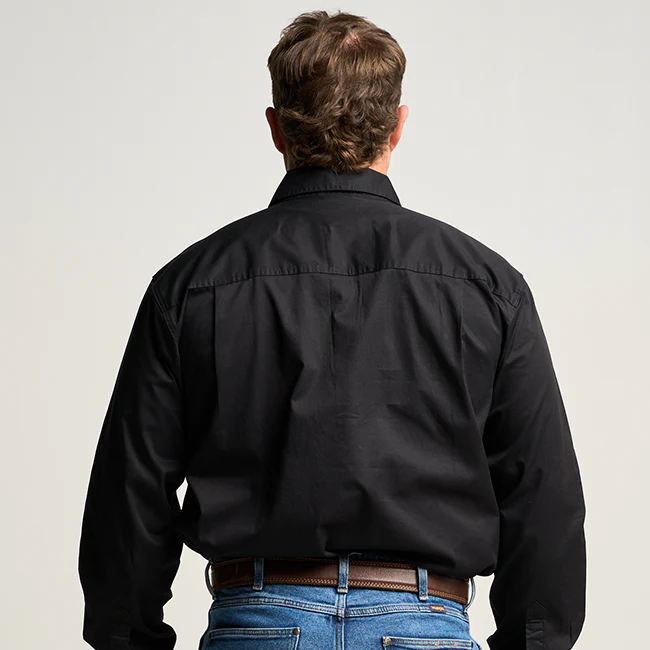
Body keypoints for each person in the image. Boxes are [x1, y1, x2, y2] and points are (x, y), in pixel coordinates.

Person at [78, 9, 586, 650]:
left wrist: (128, 640)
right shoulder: (487, 288)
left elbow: (129, 493)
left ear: (275, 128)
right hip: (424, 623)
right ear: (398, 126)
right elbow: (541, 496)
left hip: (255, 626)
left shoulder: (190, 286)